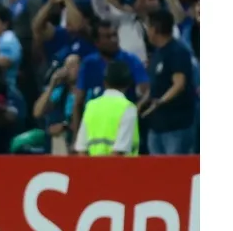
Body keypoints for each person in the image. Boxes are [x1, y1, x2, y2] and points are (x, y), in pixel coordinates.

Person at [141, 9, 196, 155]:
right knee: (157, 172)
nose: (147, 31)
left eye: (148, 27)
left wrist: (160, 102)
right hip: (157, 125)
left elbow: (179, 84)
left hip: (176, 125)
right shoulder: (158, 53)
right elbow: (154, 85)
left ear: (154, 29)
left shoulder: (177, 51)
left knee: (175, 172)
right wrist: (140, 104)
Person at [74, 61, 139, 156]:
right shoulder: (128, 107)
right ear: (128, 84)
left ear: (104, 82)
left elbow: (82, 149)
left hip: (92, 169)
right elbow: (119, 151)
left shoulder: (91, 106)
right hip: (121, 170)